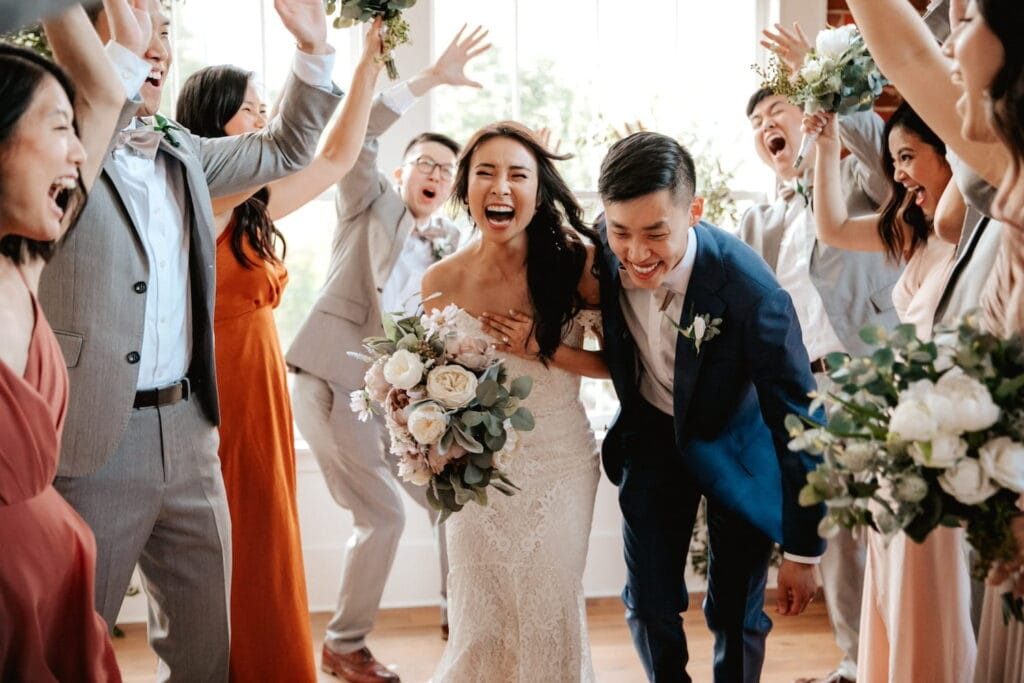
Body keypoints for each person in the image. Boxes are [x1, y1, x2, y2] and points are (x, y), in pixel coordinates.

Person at [36, 0, 344, 678]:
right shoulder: (47, 148)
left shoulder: (185, 151)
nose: (156, 48)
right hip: (93, 439)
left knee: (206, 650)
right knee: (71, 651)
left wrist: (313, 51)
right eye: (134, 27)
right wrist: (118, 56)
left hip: (191, 434)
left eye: (165, 32)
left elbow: (287, 149)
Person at [170, 20, 385, 683]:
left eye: (266, 109)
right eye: (251, 111)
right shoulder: (204, 193)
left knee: (267, 530)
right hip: (221, 391)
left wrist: (367, 69)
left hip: (263, 389)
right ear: (212, 123)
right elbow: (301, 153)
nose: (264, 121)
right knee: (239, 534)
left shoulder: (250, 205)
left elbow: (335, 160)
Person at [284, 26, 489, 682]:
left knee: (451, 502)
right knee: (382, 516)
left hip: (391, 399)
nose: (435, 174)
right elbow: (362, 130)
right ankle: (344, 645)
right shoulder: (365, 202)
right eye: (425, 163)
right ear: (401, 174)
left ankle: (461, 616)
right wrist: (430, 78)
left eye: (446, 170)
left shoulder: (452, 244)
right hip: (330, 379)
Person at [596, 131, 825, 683]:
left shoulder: (752, 294)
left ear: (694, 211)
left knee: (735, 614)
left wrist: (804, 551)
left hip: (738, 448)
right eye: (620, 232)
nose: (636, 253)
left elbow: (799, 419)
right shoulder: (601, 251)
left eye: (655, 234)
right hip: (653, 440)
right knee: (647, 603)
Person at [420, 120, 606, 682]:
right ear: (465, 187)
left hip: (560, 464)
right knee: (482, 619)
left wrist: (542, 349)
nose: (501, 186)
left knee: (549, 606)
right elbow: (431, 385)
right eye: (486, 172)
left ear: (539, 189)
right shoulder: (439, 280)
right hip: (478, 475)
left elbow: (624, 366)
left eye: (518, 175)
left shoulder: (578, 263)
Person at [740, 64, 902, 681]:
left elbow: (880, 147)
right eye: (756, 123)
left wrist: (828, 91)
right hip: (803, 394)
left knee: (897, 523)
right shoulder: (759, 221)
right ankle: (857, 664)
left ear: (808, 118)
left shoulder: (863, 183)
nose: (766, 126)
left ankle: (913, 658)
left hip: (873, 378)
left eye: (775, 112)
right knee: (837, 538)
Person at [0, 1, 147, 678]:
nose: (82, 152)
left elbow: (105, 95)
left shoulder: (25, 261)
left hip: (51, 573)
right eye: (59, 127)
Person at [805, 103, 976, 683]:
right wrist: (825, 145)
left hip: (952, 430)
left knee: (933, 593)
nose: (898, 173)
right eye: (893, 160)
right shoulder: (915, 228)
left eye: (907, 157)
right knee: (893, 583)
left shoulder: (978, 230)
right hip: (904, 429)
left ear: (948, 152)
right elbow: (831, 228)